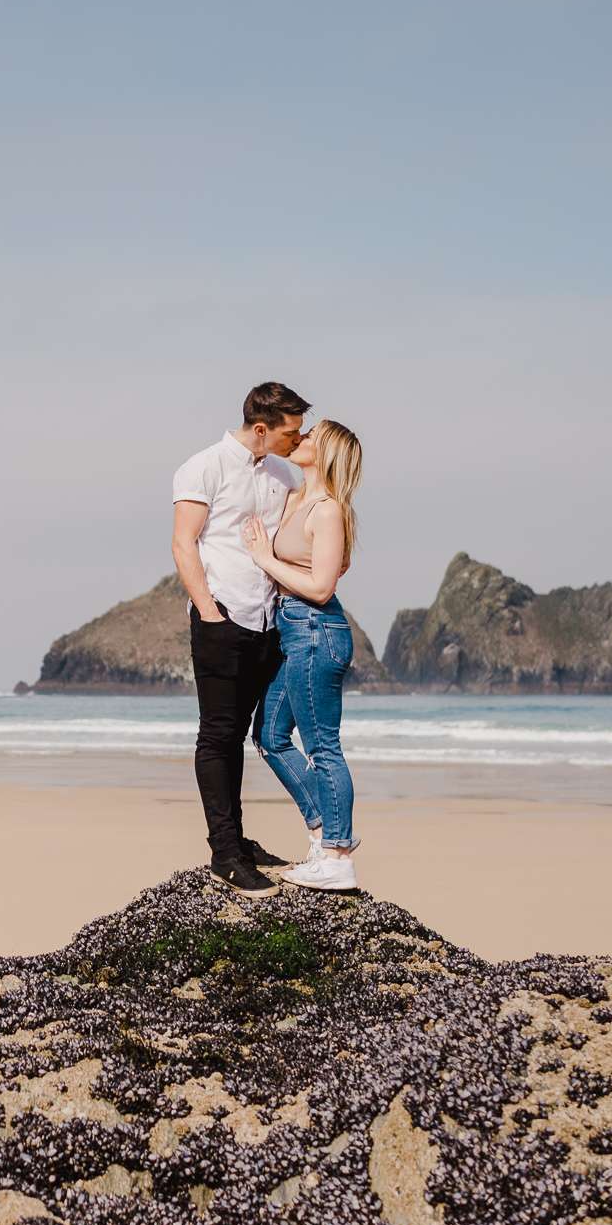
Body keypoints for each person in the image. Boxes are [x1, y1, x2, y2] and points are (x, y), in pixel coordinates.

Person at [171, 383, 309, 898]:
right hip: (222, 618)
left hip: (270, 623)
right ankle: (225, 853)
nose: (296, 441)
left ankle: (240, 841)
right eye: (289, 432)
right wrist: (209, 611)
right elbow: (183, 544)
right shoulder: (202, 467)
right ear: (261, 429)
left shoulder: (281, 473)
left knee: (250, 738)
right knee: (219, 735)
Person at [242, 419, 364, 891]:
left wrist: (264, 559)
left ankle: (338, 856)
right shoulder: (296, 496)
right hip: (293, 634)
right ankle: (321, 833)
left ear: (327, 451)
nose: (301, 438)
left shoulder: (329, 510)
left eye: (311, 435)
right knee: (269, 735)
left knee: (323, 746)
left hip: (317, 632)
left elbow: (320, 586)